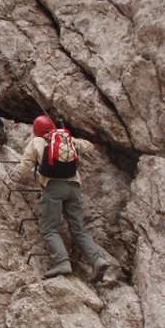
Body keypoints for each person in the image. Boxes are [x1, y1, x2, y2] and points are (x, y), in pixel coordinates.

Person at [11, 115, 109, 282]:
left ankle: (62, 262)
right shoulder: (66, 140)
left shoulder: (37, 142)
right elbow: (88, 146)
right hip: (74, 187)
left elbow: (25, 165)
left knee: (49, 228)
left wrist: (13, 177)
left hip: (53, 188)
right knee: (78, 228)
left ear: (37, 131)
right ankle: (97, 260)